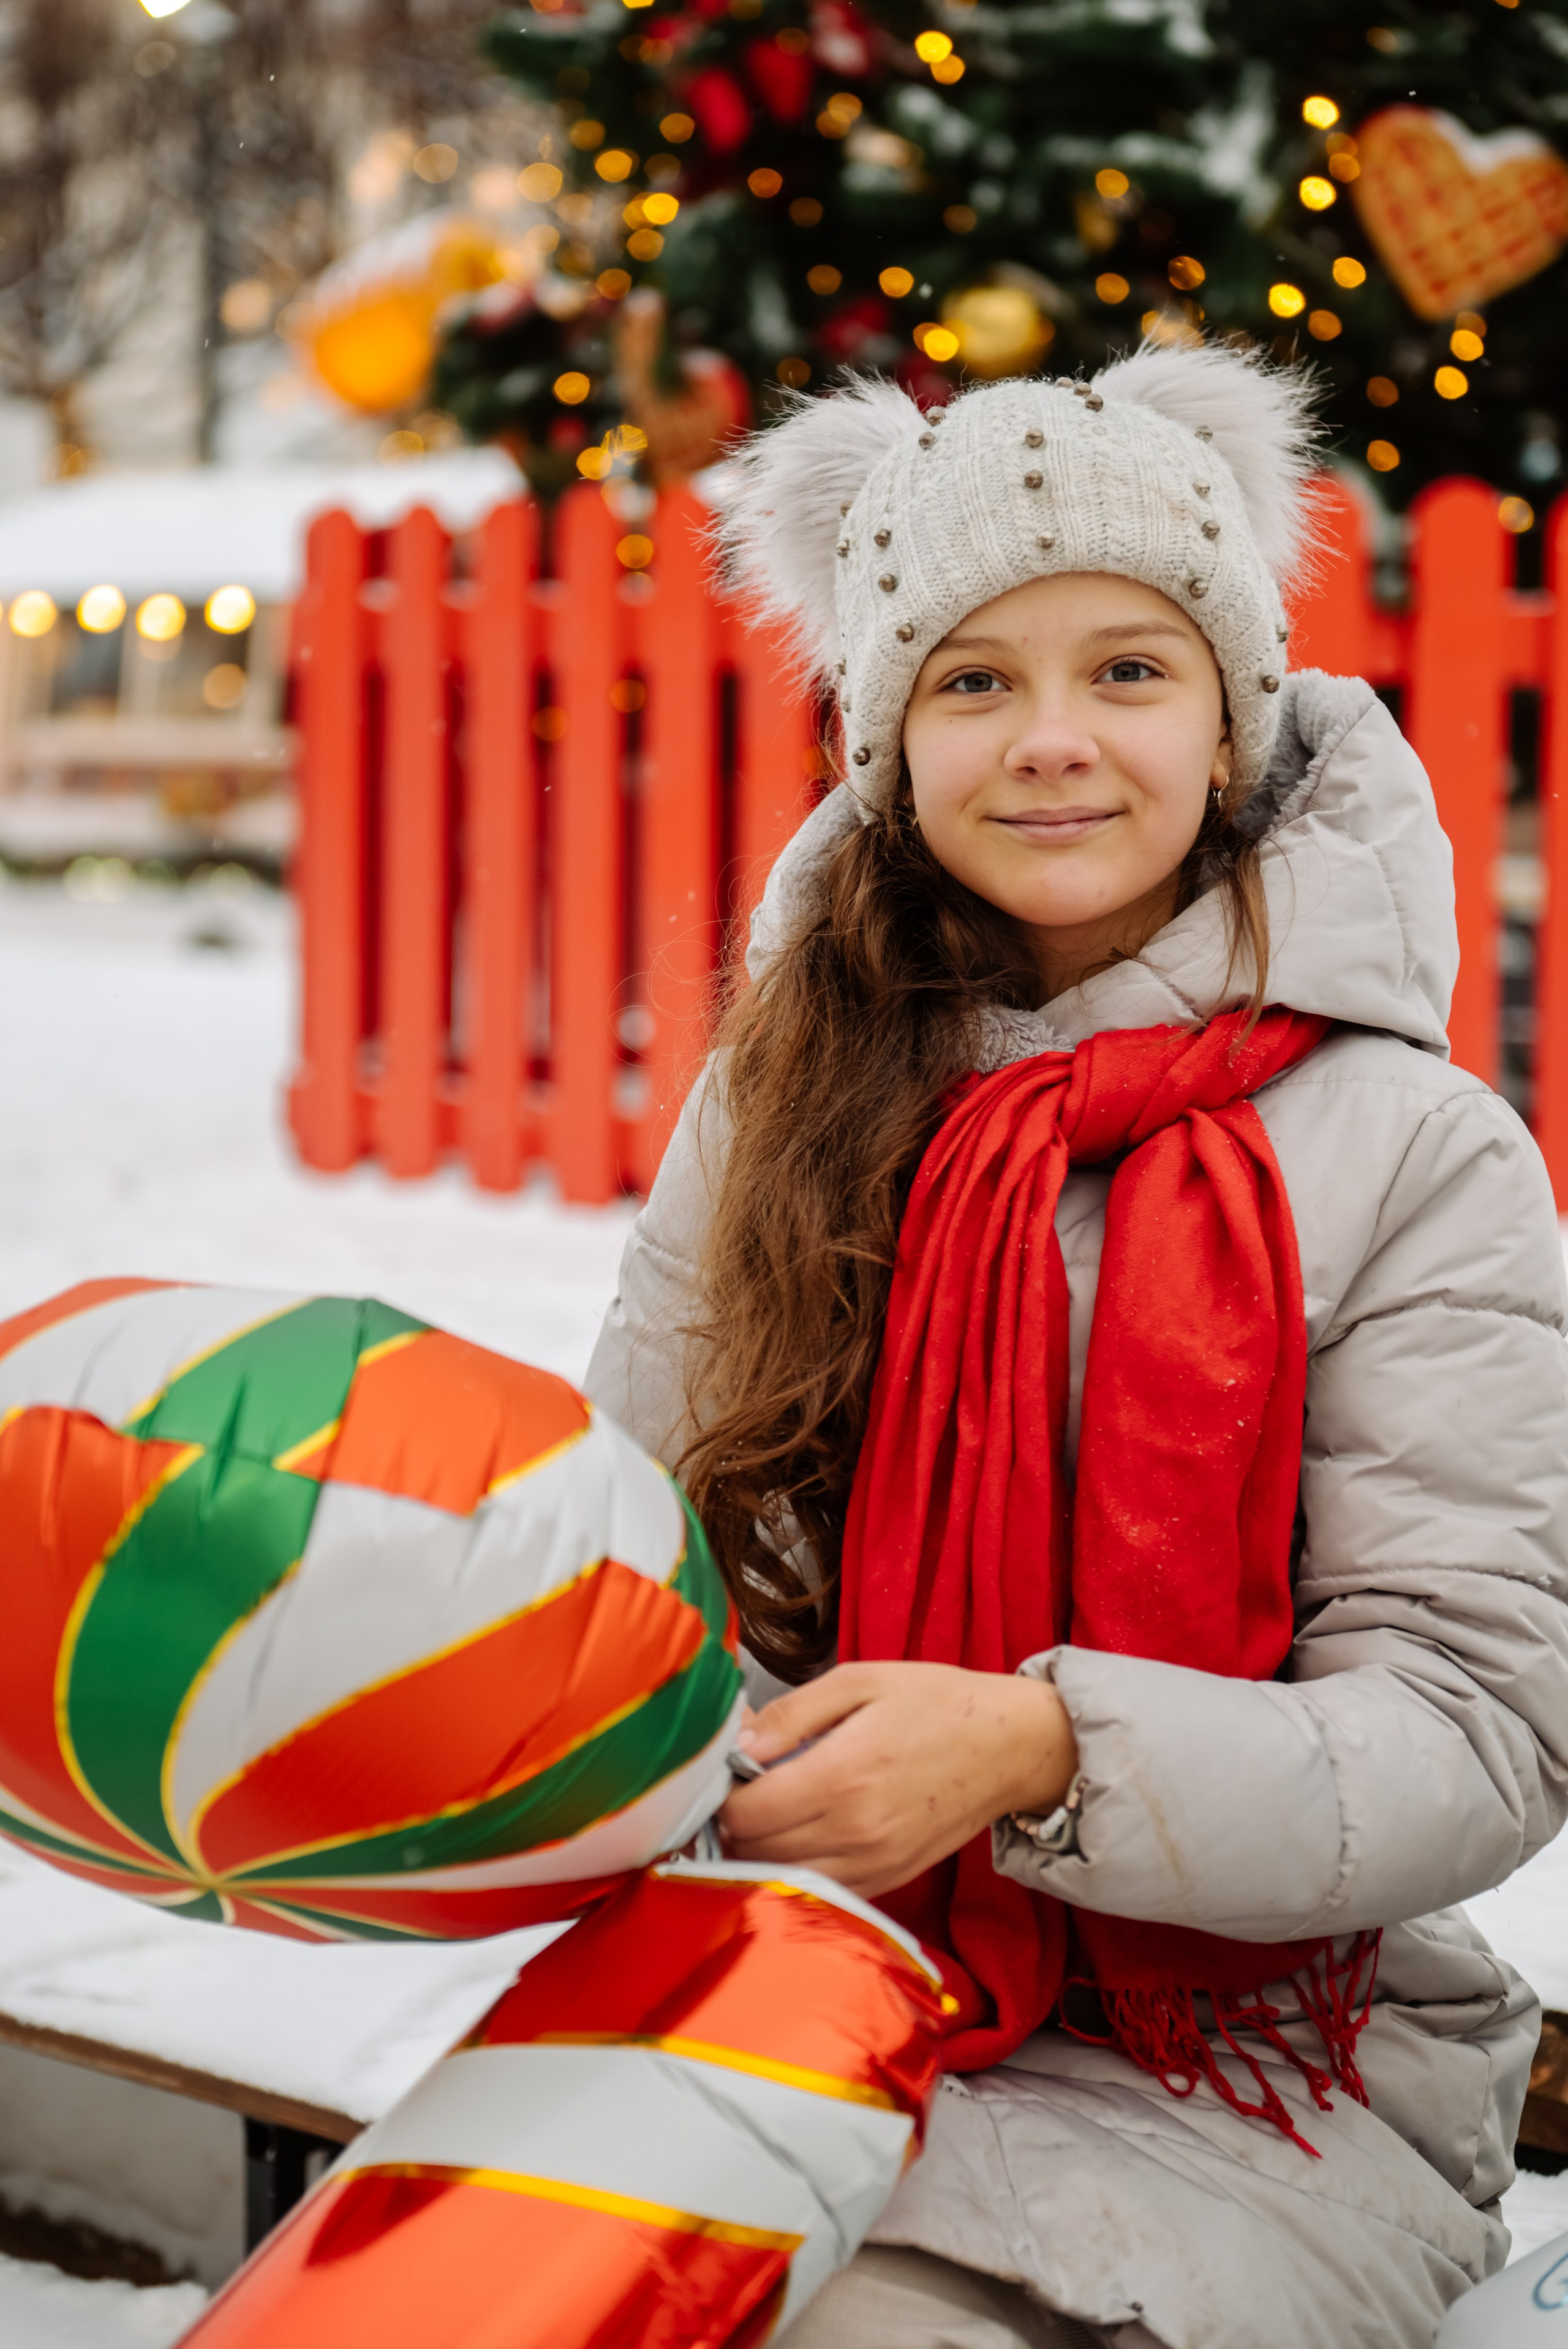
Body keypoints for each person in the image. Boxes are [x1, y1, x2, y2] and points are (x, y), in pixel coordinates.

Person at [584, 341, 1568, 2349]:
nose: (1052, 741)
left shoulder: (1412, 1149)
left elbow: (1478, 1725)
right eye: (972, 680)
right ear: (888, 739)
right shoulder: (789, 1098)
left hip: (1261, 2064)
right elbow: (637, 1539)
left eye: (1127, 667)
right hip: (799, 1962)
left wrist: (1041, 1752)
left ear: (1231, 717)